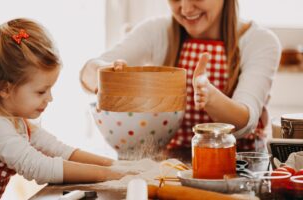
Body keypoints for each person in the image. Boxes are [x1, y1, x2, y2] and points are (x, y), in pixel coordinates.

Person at [80, 0, 281, 153]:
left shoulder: (260, 41)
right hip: (168, 166)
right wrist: (105, 73)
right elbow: (88, 72)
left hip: (238, 167)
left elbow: (244, 121)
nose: (185, 9)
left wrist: (210, 97)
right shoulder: (156, 31)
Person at [0, 18, 133, 199]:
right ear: (5, 89)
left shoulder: (15, 119)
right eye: (41, 92)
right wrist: (112, 176)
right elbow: (40, 167)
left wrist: (118, 167)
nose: (50, 98)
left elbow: (59, 150)